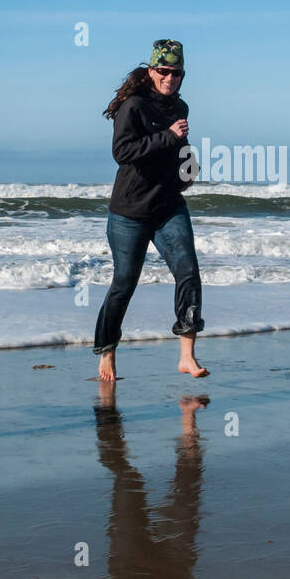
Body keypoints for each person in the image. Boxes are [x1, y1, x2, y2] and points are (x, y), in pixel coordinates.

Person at [94, 39, 207, 381]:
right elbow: (123, 152)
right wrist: (169, 137)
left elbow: (181, 147)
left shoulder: (180, 107)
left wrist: (188, 169)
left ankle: (187, 356)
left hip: (169, 205)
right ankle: (107, 351)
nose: (170, 78)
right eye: (164, 71)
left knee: (188, 272)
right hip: (130, 211)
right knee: (124, 284)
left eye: (176, 73)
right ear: (151, 71)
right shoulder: (134, 106)